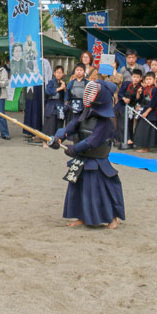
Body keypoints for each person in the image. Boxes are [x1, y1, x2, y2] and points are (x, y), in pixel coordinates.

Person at [49, 79, 124, 229]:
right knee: (80, 189)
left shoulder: (106, 123)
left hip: (97, 161)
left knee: (103, 191)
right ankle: (82, 217)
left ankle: (112, 218)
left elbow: (92, 141)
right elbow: (71, 126)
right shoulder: (85, 113)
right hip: (82, 160)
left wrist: (73, 149)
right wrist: (59, 137)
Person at [132, 71, 157, 152]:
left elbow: (154, 103)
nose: (148, 81)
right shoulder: (144, 89)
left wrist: (147, 112)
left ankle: (146, 148)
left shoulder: (155, 90)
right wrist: (138, 93)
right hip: (143, 110)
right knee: (141, 129)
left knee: (147, 131)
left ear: (154, 80)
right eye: (146, 79)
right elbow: (139, 100)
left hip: (150, 112)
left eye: (150, 79)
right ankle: (141, 146)